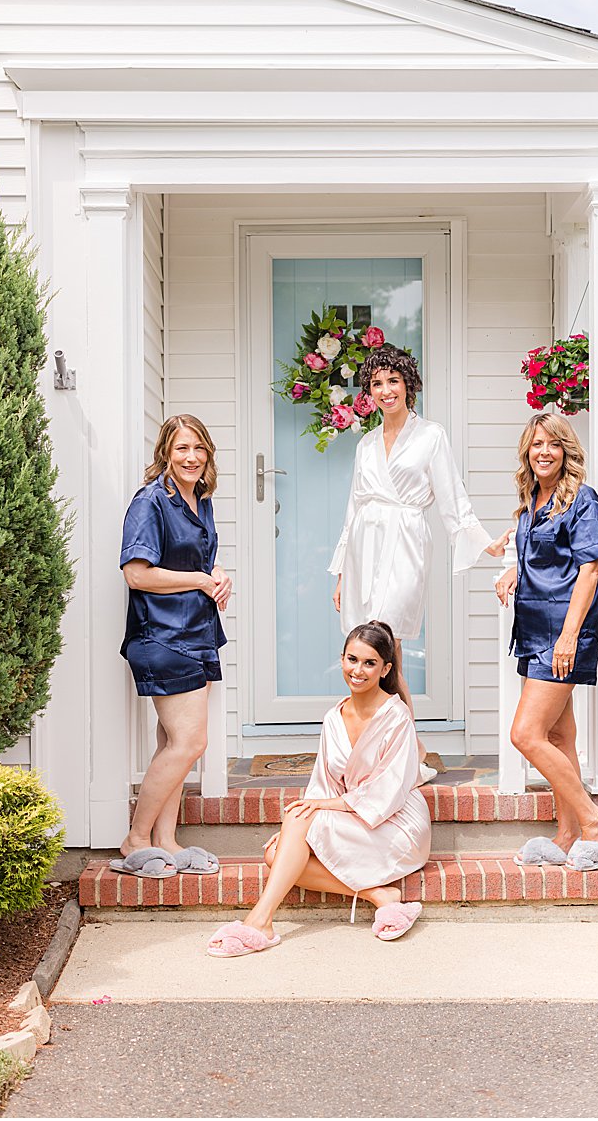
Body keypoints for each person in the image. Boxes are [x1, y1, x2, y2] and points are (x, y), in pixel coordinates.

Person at [329, 343, 510, 776]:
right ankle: (406, 748)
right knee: (371, 653)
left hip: (405, 545)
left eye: (393, 381)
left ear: (409, 384)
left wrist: (483, 542)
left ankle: (405, 753)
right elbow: (353, 509)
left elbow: (452, 498)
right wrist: (339, 572)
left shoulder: (431, 435)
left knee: (388, 648)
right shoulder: (366, 444)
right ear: (368, 393)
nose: (386, 390)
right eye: (376, 383)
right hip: (362, 552)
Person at [205, 621, 431, 956]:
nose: (358, 670)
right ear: (341, 660)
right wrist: (301, 826)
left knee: (297, 825)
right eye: (352, 659)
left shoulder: (396, 716)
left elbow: (391, 789)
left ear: (385, 669)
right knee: (275, 853)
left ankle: (259, 922)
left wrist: (323, 811)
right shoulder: (333, 718)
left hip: (397, 822)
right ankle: (381, 896)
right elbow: (323, 784)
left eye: (370, 663)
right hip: (355, 815)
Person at [496, 412, 598, 872]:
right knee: (558, 734)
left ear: (567, 452)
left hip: (563, 632)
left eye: (554, 444)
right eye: (536, 444)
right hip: (533, 630)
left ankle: (595, 820)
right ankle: (568, 833)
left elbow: (590, 568)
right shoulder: (532, 498)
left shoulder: (583, 500)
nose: (544, 452)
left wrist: (570, 637)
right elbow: (539, 553)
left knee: (525, 734)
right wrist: (515, 568)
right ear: (527, 451)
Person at [111, 414, 231, 879]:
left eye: (199, 448)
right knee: (190, 740)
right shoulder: (150, 502)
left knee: (172, 741)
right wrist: (201, 578)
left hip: (196, 634)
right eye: (182, 448)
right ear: (165, 452)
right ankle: (136, 839)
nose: (191, 457)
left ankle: (166, 840)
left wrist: (217, 574)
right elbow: (137, 573)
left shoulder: (199, 499)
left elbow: (197, 562)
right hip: (161, 636)